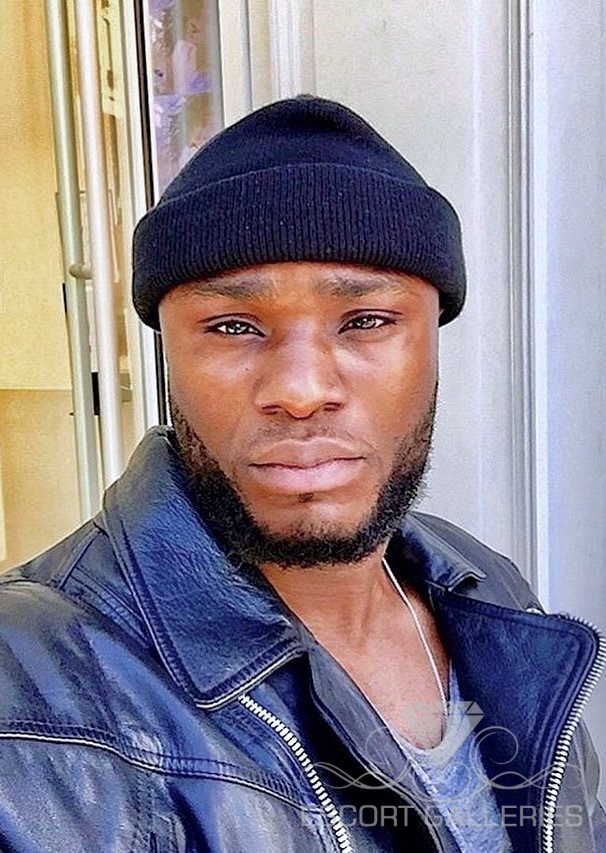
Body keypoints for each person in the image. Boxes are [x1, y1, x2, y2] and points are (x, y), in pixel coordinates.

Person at [0, 96, 603, 853]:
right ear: (169, 355)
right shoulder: (29, 691)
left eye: (366, 321)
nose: (301, 388)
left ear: (433, 341)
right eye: (233, 326)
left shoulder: (486, 586)